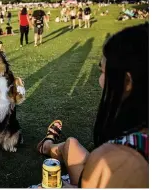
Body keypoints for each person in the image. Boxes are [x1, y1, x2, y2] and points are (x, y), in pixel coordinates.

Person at [36, 23, 148, 188]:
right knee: (71, 145)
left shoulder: (114, 160)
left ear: (127, 82)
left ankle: (47, 144)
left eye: (102, 72)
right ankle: (46, 146)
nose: (100, 81)